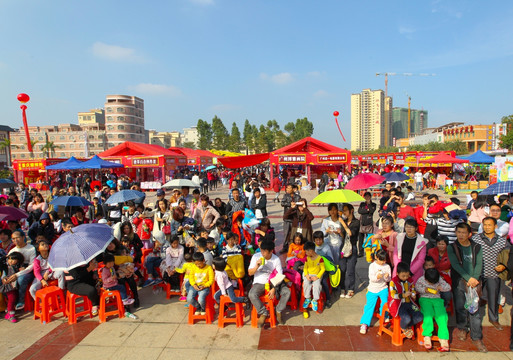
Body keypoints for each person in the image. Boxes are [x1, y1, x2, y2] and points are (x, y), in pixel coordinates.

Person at [447, 223, 486, 352]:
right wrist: (468, 278)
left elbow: (479, 263)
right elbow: (455, 265)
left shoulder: (476, 247)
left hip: (474, 283)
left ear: (469, 234)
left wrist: (474, 278)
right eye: (459, 232)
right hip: (459, 281)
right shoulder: (452, 247)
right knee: (460, 307)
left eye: (464, 232)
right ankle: (462, 328)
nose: (461, 235)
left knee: (474, 311)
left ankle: (476, 337)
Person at [472, 216, 507, 330]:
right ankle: (472, 320)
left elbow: (508, 255)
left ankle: (493, 318)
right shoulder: (476, 239)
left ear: (495, 226)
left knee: (493, 297)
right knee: (474, 297)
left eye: (489, 225)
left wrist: (503, 265)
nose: (487, 227)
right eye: (485, 225)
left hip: (494, 274)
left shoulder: (502, 241)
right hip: (478, 274)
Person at [248, 240, 290, 327]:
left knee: (287, 292)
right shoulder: (256, 257)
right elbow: (250, 273)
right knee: (252, 294)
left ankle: (278, 310)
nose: (262, 253)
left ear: (271, 251)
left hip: (273, 282)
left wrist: (274, 288)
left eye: (264, 251)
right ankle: (263, 312)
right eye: (261, 250)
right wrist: (257, 266)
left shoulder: (276, 259)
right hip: (260, 283)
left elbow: (279, 276)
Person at [416, 268, 451, 351]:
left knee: (442, 316)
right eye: (430, 283)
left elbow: (448, 287)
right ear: (426, 278)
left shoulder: (439, 280)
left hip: (437, 299)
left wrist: (441, 287)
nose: (432, 284)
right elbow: (416, 288)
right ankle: (427, 335)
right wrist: (424, 290)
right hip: (425, 299)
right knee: (428, 314)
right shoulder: (421, 279)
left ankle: (443, 338)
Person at [388, 262, 423, 339]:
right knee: (406, 318)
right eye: (403, 276)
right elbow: (393, 295)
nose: (405, 278)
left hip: (409, 302)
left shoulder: (410, 281)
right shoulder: (393, 282)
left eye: (407, 276)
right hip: (399, 304)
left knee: (420, 316)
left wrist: (413, 295)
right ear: (397, 273)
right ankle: (403, 327)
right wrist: (403, 295)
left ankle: (407, 326)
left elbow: (413, 290)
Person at [359, 249, 391, 335]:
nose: (382, 262)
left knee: (385, 303)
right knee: (369, 306)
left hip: (383, 288)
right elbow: (372, 278)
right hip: (373, 289)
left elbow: (388, 279)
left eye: (384, 260)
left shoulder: (387, 266)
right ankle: (364, 323)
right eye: (381, 260)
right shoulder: (372, 266)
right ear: (376, 257)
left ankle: (384, 315)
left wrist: (386, 277)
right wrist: (378, 277)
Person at [7, 230, 36, 310]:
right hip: (15, 271)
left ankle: (21, 301)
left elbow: (32, 265)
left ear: (23, 237)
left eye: (17, 238)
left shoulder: (31, 248)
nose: (15, 240)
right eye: (13, 239)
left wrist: (18, 274)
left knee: (21, 279)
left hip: (28, 271)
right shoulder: (12, 251)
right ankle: (11, 302)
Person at [392, 218, 427, 283]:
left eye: (411, 227)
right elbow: (395, 254)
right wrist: (399, 268)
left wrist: (410, 272)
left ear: (416, 228)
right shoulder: (400, 237)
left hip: (414, 271)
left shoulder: (422, 242)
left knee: (412, 291)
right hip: (400, 269)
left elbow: (421, 259)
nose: (409, 229)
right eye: (407, 227)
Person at [339, 203, 360, 298]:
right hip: (343, 247)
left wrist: (343, 224)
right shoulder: (344, 221)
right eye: (343, 210)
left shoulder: (356, 222)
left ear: (351, 210)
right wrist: (340, 233)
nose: (344, 212)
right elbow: (344, 236)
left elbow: (351, 233)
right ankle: (343, 288)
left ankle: (351, 288)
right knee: (342, 268)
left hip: (352, 247)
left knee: (350, 270)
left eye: (345, 210)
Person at [427, 237, 452, 305]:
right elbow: (427, 263)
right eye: (439, 244)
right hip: (432, 276)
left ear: (447, 245)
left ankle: (444, 306)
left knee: (447, 295)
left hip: (445, 278)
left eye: (443, 244)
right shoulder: (431, 251)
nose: (440, 246)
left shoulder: (451, 253)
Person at [302, 241, 325, 312]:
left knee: (317, 285)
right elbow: (305, 268)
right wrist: (307, 275)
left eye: (306, 252)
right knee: (306, 283)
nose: (306, 253)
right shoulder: (307, 258)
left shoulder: (320, 259)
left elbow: (323, 269)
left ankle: (315, 299)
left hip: (316, 275)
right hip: (308, 274)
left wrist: (317, 277)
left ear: (311, 251)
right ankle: (308, 298)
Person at [1, 252, 24, 323]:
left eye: (13, 259)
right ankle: (11, 314)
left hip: (15, 286)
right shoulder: (6, 267)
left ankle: (8, 311)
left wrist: (22, 270)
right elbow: (3, 275)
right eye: (9, 259)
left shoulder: (19, 267)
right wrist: (4, 279)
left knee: (13, 299)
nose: (10, 261)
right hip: (8, 286)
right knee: (12, 298)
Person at [280, 184, 301, 253]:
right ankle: (285, 247)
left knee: (294, 234)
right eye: (287, 188)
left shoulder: (297, 196)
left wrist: (295, 205)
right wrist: (290, 204)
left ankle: (294, 247)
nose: (287, 190)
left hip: (294, 217)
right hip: (287, 217)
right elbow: (282, 203)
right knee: (286, 233)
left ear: (293, 189)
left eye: (289, 188)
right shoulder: (285, 196)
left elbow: (299, 205)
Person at [357, 192, 376, 257]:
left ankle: (370, 251)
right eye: (366, 196)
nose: (367, 198)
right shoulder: (362, 204)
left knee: (369, 239)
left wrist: (369, 205)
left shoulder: (373, 204)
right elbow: (359, 211)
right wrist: (367, 210)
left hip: (369, 223)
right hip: (362, 223)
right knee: (360, 239)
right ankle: (361, 252)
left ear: (370, 197)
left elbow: (372, 211)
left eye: (368, 196)